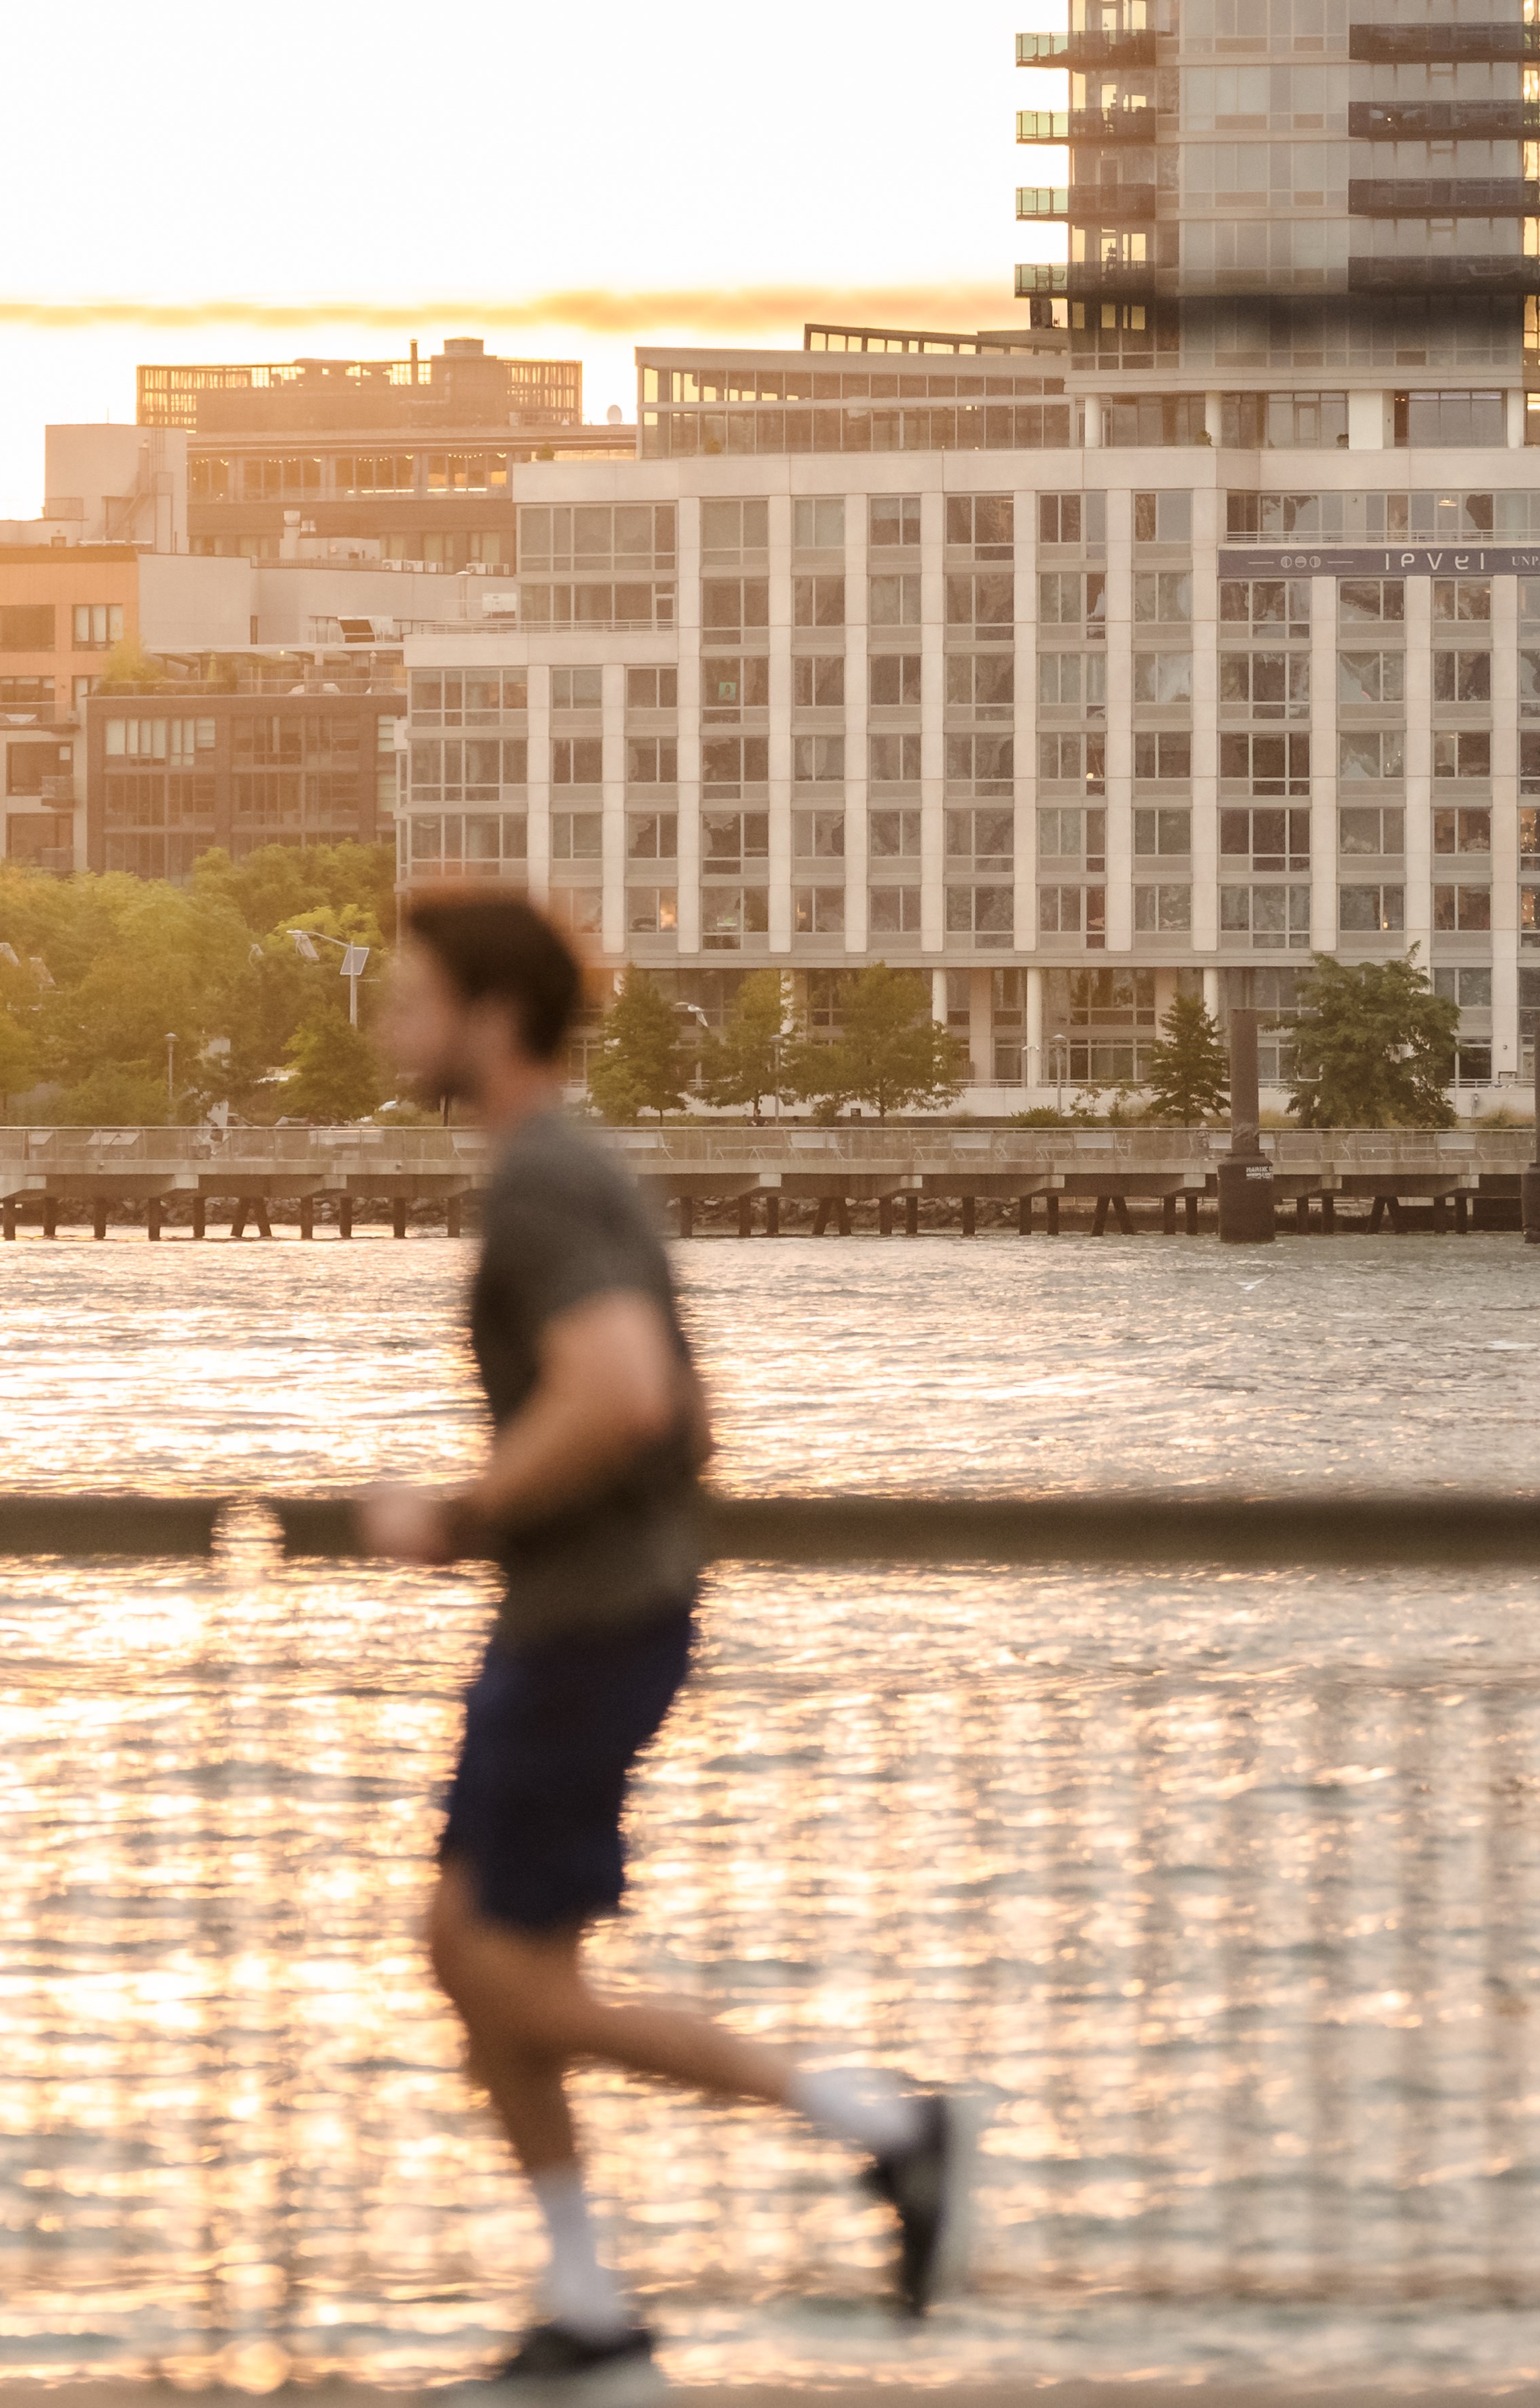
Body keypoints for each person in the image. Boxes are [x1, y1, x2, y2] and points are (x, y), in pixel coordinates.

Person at [359, 891, 978, 2397]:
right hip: (589, 1610)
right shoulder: (568, 1167)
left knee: (504, 1976)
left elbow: (625, 1392)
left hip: (588, 1623)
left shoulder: (543, 1180)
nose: (387, 1026)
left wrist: (461, 1512)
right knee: (465, 1949)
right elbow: (686, 1407)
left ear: (489, 1016)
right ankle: (588, 2309)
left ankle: (882, 2123)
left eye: (410, 998)